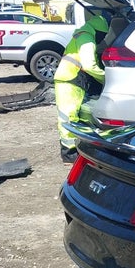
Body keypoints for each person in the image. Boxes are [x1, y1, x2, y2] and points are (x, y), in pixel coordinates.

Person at [53, 14, 109, 163]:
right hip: (69, 79)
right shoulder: (87, 38)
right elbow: (89, 65)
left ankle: (73, 149)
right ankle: (69, 153)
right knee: (68, 116)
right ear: (100, 31)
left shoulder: (83, 34)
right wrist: (106, 79)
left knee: (73, 115)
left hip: (72, 78)